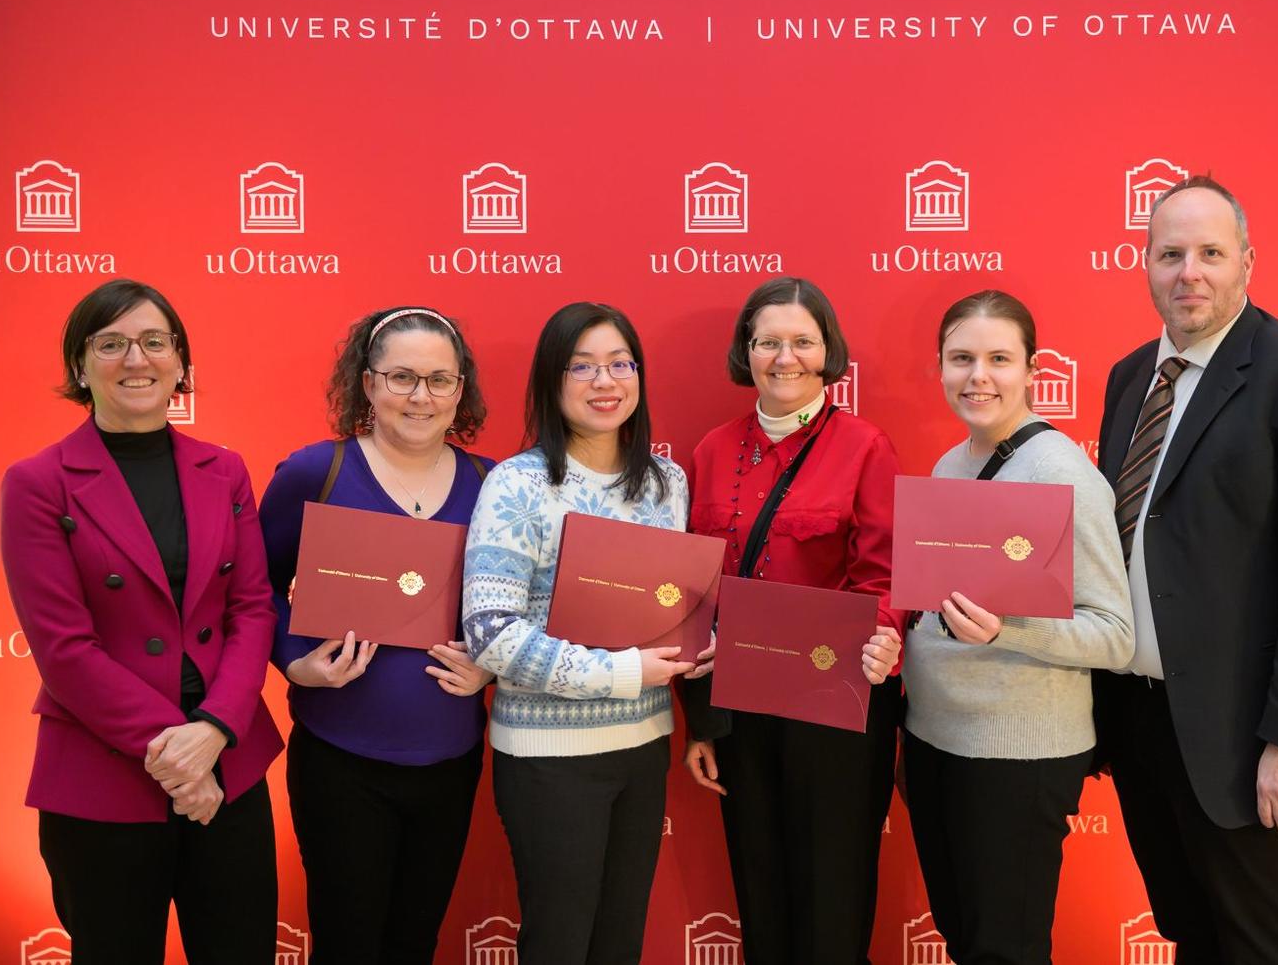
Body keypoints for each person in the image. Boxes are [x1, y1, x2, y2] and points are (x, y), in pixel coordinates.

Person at [1093, 175, 1278, 963]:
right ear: (1145, 265)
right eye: (1170, 254)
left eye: (1211, 253)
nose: (1190, 271)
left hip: (1252, 737)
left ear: (1248, 263)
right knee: (1191, 934)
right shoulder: (1129, 378)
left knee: (1263, 946)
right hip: (1145, 724)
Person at [0, 279, 282, 964]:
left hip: (228, 763)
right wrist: (181, 759)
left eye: (155, 342)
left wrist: (213, 732)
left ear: (180, 362)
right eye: (112, 343)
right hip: (104, 772)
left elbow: (252, 608)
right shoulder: (38, 482)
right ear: (80, 365)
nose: (137, 359)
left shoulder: (226, 470)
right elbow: (64, 651)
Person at [899, 290, 1134, 964]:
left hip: (1016, 757)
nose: (979, 376)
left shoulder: (1062, 473)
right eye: (961, 358)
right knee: (966, 939)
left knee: (1006, 949)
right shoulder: (952, 464)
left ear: (1033, 367)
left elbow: (1114, 635)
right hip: (937, 741)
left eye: (1000, 358)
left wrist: (1010, 631)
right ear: (939, 367)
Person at [258, 306, 494, 965]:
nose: (421, 397)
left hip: (451, 758)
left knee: (415, 943)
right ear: (367, 384)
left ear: (460, 389)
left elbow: (522, 606)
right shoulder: (315, 474)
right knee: (347, 943)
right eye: (402, 378)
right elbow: (254, 589)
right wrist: (294, 662)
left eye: (440, 381)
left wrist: (492, 666)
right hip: (341, 759)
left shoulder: (490, 485)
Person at [681, 276, 904, 965]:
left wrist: (886, 634)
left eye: (803, 342)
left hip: (835, 704)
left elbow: (883, 575)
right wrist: (702, 718)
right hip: (742, 706)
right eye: (768, 341)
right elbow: (693, 593)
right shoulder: (712, 450)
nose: (786, 358)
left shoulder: (866, 446)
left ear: (828, 351)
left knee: (833, 894)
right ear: (746, 352)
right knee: (759, 883)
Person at [461, 301, 692, 964]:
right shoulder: (518, 484)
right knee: (559, 944)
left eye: (620, 363)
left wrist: (695, 649)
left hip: (645, 748)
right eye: (582, 366)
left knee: (618, 943)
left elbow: (672, 606)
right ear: (550, 382)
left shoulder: (666, 483)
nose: (605, 381)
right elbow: (493, 635)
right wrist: (622, 673)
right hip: (549, 760)